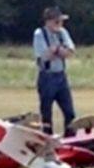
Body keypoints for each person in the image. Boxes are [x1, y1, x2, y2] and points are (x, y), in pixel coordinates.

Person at [33, 7, 77, 136]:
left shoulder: (63, 33)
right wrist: (59, 50)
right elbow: (43, 56)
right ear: (48, 22)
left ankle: (70, 138)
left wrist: (56, 50)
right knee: (46, 114)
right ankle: (47, 139)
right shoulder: (40, 34)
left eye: (61, 22)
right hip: (47, 77)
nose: (60, 25)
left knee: (70, 112)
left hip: (61, 76)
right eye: (57, 22)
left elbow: (70, 52)